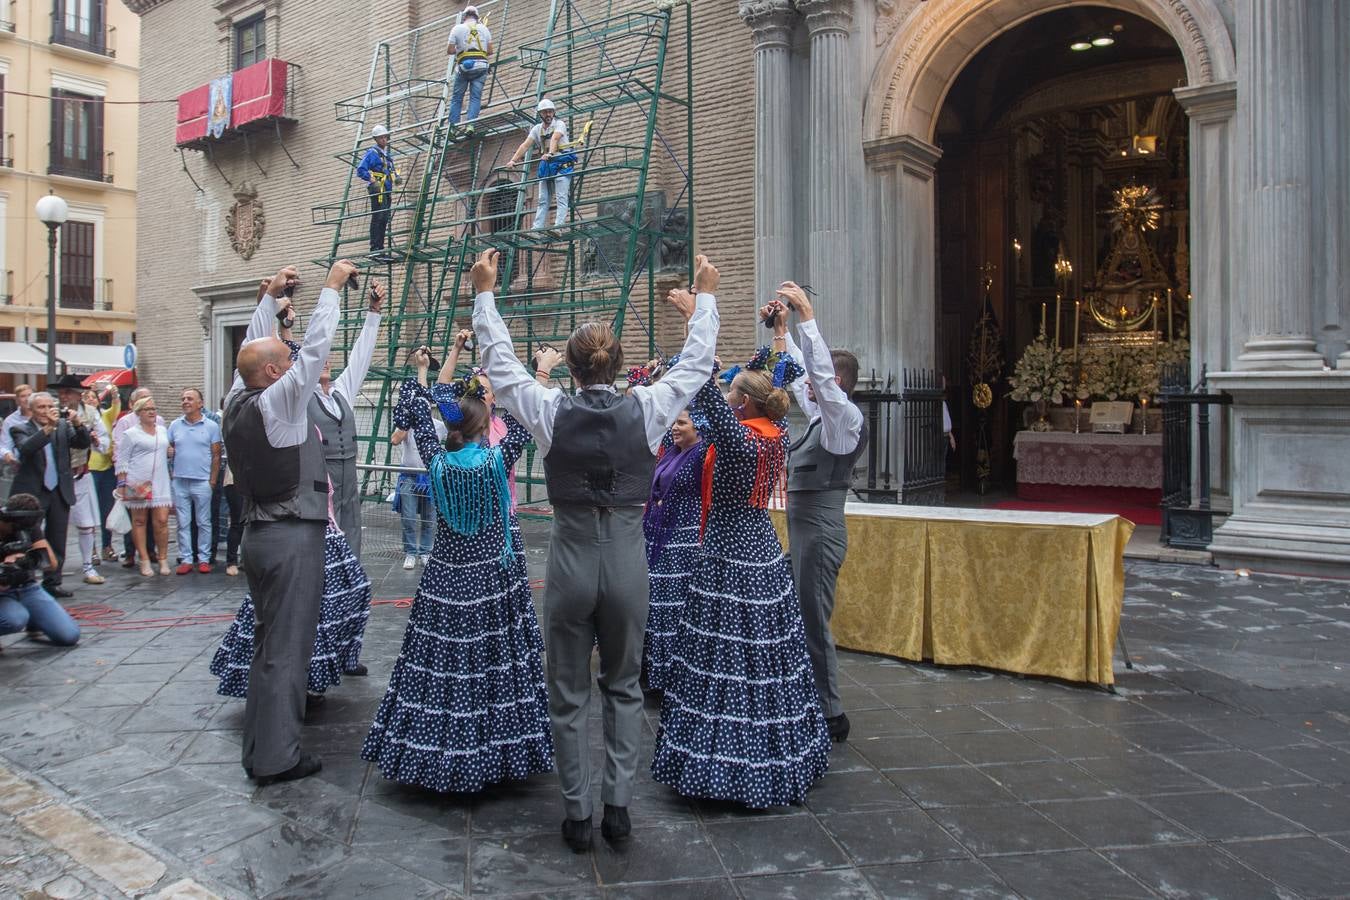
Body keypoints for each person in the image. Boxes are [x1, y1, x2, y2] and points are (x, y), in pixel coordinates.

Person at [472, 247, 719, 851]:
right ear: (616, 367)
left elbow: (501, 368)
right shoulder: (651, 406)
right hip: (630, 559)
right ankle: (619, 808)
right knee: (625, 686)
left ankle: (578, 814)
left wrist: (485, 293)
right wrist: (705, 299)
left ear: (576, 369)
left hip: (572, 556)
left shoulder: (550, 408)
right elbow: (697, 366)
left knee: (568, 691)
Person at [650, 354, 832, 808]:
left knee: (724, 650)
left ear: (745, 402)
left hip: (728, 554)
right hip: (762, 550)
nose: (727, 397)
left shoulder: (741, 440)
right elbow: (774, 382)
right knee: (764, 649)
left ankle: (727, 764)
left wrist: (697, 328)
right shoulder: (776, 432)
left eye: (734, 393)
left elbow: (703, 394)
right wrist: (777, 338)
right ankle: (781, 750)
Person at [361, 362, 552, 793]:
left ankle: (429, 750)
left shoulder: (437, 461)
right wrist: (540, 372)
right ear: (486, 426)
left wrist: (433, 387)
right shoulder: (496, 460)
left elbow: (411, 399)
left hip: (445, 580)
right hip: (490, 580)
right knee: (492, 662)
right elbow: (527, 416)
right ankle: (496, 751)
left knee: (438, 662)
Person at [222, 259, 353, 787]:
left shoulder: (236, 398)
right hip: (290, 535)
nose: (293, 356)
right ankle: (278, 757)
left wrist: (268, 300)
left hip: (257, 536)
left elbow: (250, 355)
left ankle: (261, 748)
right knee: (286, 653)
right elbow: (314, 352)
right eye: (284, 355)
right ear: (276, 374)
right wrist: (331, 291)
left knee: (266, 647)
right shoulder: (279, 404)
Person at [772, 283, 868, 743]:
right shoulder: (819, 418)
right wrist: (782, 329)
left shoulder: (843, 421)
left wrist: (809, 318)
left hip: (821, 533)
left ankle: (832, 712)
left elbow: (820, 383)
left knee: (814, 620)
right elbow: (798, 377)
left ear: (838, 383)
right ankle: (807, 696)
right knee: (796, 614)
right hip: (803, 534)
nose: (806, 387)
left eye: (818, 381)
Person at [210, 470, 372, 700]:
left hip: (320, 530)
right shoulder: (283, 443)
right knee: (301, 608)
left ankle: (331, 662)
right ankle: (297, 679)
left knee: (351, 591)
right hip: (294, 530)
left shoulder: (310, 438)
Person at [308, 281, 384, 563]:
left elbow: (361, 358)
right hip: (321, 475)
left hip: (349, 472)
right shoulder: (302, 397)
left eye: (329, 355)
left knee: (351, 520)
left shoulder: (342, 390)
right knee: (324, 522)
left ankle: (351, 568)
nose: (325, 360)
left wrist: (373, 313)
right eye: (320, 356)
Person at [641, 405, 706, 692]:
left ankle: (669, 678)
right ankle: (651, 668)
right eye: (674, 423)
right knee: (653, 606)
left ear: (698, 427)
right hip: (657, 535)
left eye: (682, 423)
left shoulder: (701, 454)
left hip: (680, 542)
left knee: (669, 609)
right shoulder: (672, 451)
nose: (675, 428)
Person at [10, 392, 90, 599]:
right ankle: (26, 580)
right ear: (31, 410)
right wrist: (48, 428)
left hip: (58, 489)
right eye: (41, 408)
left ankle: (53, 581)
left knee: (57, 537)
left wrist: (78, 423)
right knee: (29, 539)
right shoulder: (20, 428)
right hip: (32, 492)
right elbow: (26, 449)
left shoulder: (62, 427)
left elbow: (82, 443)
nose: (46, 412)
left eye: (49, 406)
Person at [50, 376, 111, 586]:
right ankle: (50, 568)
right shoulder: (51, 411)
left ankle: (88, 566)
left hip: (80, 473)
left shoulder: (91, 412)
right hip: (55, 477)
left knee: (86, 524)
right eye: (61, 392)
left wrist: (96, 440)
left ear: (78, 394)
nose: (63, 396)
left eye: (68, 392)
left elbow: (104, 441)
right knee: (51, 525)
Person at [0, 494, 79, 647]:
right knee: (15, 619)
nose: (21, 531)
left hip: (27, 588)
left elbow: (51, 563)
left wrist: (24, 561)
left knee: (69, 635)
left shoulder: (27, 525)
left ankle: (35, 618)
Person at [391, 348, 444, 569]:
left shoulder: (439, 426)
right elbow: (395, 439)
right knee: (409, 518)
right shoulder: (407, 424)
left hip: (429, 477)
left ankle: (426, 551)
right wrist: (406, 419)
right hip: (409, 476)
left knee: (429, 518)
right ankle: (411, 552)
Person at [114, 397, 173, 578]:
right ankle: (144, 559)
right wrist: (122, 484)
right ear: (138, 412)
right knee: (139, 521)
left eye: (153, 408)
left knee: (162, 521)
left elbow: (166, 450)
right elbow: (122, 460)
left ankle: (162, 558)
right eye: (147, 409)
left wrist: (170, 452)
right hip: (137, 481)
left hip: (160, 481)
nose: (151, 412)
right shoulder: (131, 434)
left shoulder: (162, 430)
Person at [168, 388, 223, 574]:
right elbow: (169, 449)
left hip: (202, 481)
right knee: (183, 522)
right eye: (183, 398)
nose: (185, 401)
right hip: (180, 480)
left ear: (200, 403)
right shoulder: (175, 425)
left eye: (190, 399)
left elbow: (216, 455)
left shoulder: (211, 427)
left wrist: (212, 481)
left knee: (203, 522)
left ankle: (204, 558)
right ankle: (186, 558)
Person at [507, 99, 573, 232]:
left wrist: (550, 153)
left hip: (561, 165)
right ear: (540, 114)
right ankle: (537, 229)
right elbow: (525, 145)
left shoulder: (559, 124)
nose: (548, 114)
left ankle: (558, 227)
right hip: (548, 167)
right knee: (542, 199)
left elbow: (555, 138)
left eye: (550, 111)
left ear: (554, 112)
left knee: (561, 197)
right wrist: (513, 160)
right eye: (545, 112)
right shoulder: (537, 129)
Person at [87, 383, 121, 563]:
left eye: (93, 397)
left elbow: (116, 406)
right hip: (89, 470)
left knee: (106, 509)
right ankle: (90, 549)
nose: (90, 400)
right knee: (90, 511)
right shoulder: (81, 419)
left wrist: (114, 392)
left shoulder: (104, 416)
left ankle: (107, 546)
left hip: (107, 468)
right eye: (86, 399)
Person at [447, 5, 492, 130]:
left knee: (457, 98)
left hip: (464, 67)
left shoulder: (457, 28)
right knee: (475, 97)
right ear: (477, 17)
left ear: (464, 17)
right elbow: (490, 51)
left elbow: (450, 50)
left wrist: (460, 49)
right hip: (481, 66)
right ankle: (470, 125)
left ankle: (453, 127)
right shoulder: (484, 29)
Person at [357, 126, 398, 259]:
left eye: (385, 137)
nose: (384, 139)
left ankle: (380, 249)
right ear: (376, 139)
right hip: (378, 189)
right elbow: (361, 169)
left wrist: (396, 177)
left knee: (384, 218)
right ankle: (374, 249)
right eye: (381, 137)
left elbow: (390, 171)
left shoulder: (387, 156)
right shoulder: (372, 153)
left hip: (386, 189)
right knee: (378, 217)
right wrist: (371, 179)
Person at [0, 384, 34, 468]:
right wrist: (7, 454)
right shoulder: (10, 421)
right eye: (23, 396)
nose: (27, 399)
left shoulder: (43, 415)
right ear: (17, 401)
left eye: (30, 395)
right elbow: (4, 446)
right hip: (20, 464)